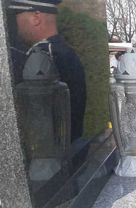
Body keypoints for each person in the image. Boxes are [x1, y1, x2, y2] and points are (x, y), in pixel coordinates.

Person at [9, 0, 87, 142]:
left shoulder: (45, 56)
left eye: (16, 15)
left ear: (36, 17)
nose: (15, 24)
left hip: (49, 155)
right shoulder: (61, 51)